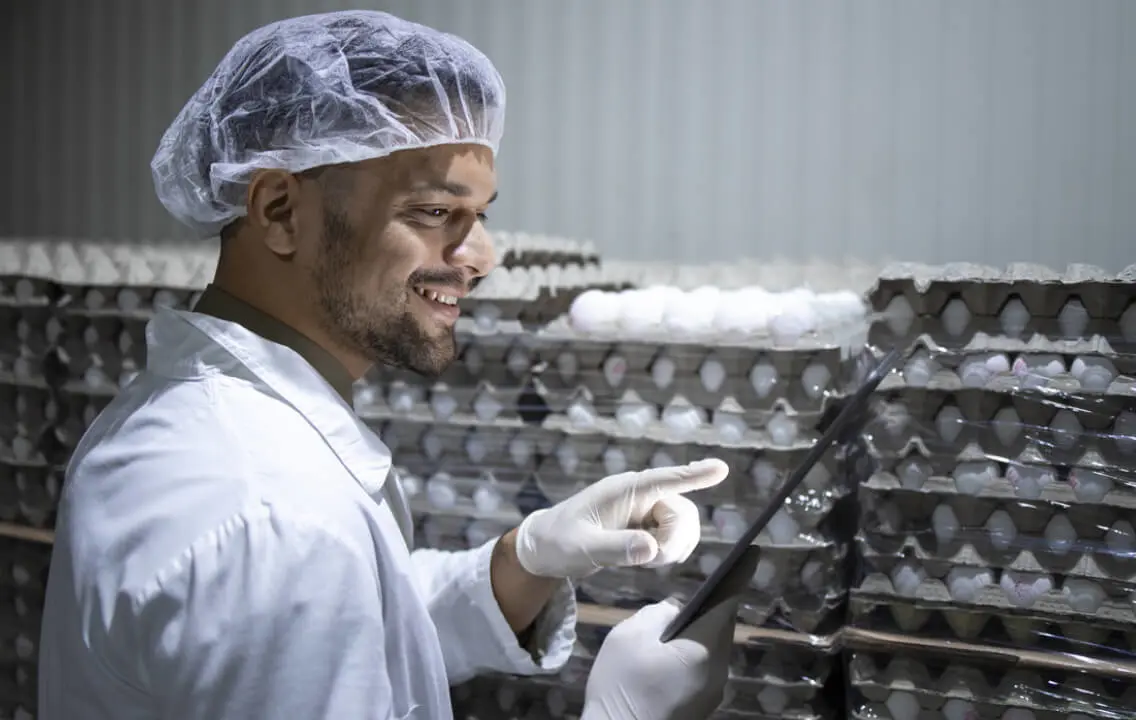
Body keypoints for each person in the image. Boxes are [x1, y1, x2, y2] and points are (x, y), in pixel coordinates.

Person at [38, 10, 745, 720]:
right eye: (436, 212)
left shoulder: (206, 427)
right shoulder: (270, 513)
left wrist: (525, 560)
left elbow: (346, 632)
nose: (481, 260)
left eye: (481, 218)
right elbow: (301, 589)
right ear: (281, 210)